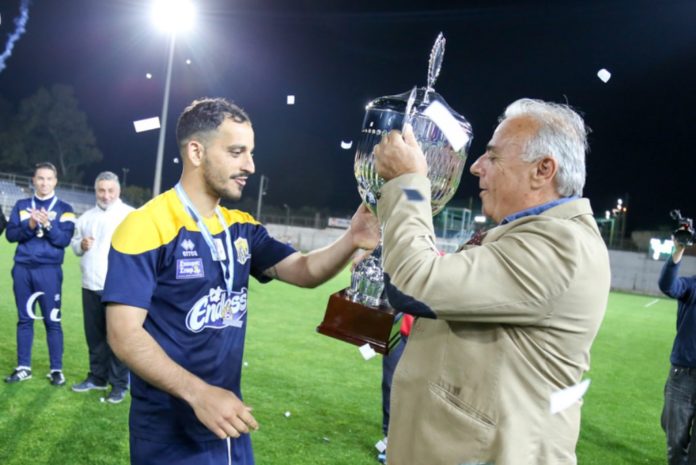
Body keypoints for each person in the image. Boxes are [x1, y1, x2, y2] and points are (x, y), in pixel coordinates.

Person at [103, 97, 379, 465]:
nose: (250, 165)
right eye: (236, 152)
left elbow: (304, 270)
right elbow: (123, 335)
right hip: (169, 432)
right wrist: (199, 394)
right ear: (196, 152)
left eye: (250, 152)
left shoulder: (241, 228)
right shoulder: (145, 226)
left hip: (228, 421)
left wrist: (352, 238)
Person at [372, 98, 611, 465]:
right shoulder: (533, 235)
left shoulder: (562, 244)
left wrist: (408, 184)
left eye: (493, 156)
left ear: (543, 170)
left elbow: (415, 281)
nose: (476, 166)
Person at [4, 162, 76, 386]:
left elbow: (63, 240)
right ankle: (23, 367)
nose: (44, 183)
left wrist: (49, 225)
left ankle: (56, 370)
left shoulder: (65, 208)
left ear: (55, 182)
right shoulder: (22, 205)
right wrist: (31, 224)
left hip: (49, 271)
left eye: (49, 179)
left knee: (52, 320)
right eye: (40, 178)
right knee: (24, 319)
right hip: (23, 269)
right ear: (34, 180)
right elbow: (10, 235)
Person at [70, 171, 134, 403]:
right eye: (101, 190)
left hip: (118, 286)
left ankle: (119, 384)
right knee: (95, 337)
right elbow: (75, 246)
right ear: (96, 190)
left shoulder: (130, 215)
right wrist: (81, 245)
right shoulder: (86, 217)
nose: (106, 195)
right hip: (90, 284)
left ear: (118, 191)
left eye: (110, 190)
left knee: (118, 338)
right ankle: (98, 378)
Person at [658, 238, 696, 465]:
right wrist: (678, 250)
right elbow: (667, 285)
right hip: (683, 376)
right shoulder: (691, 286)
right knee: (675, 443)